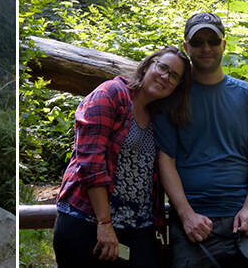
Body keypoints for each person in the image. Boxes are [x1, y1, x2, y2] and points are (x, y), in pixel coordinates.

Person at [54, 47, 193, 267]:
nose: (165, 76)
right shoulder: (111, 94)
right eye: (163, 67)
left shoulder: (160, 115)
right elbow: (90, 160)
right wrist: (104, 222)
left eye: (174, 76)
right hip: (88, 222)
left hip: (138, 228)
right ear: (149, 65)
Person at [155, 12, 248, 268]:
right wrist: (186, 216)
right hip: (192, 223)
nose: (206, 48)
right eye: (197, 42)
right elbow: (166, 159)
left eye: (212, 40)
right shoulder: (173, 98)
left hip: (241, 219)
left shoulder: (247, 95)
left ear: (224, 44)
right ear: (186, 47)